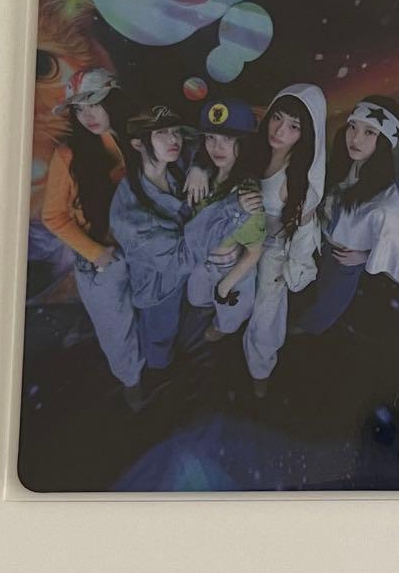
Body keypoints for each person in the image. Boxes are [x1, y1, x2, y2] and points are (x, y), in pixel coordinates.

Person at [110, 105, 243, 372]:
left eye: (175, 131)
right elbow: (181, 258)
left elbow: (200, 145)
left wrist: (198, 167)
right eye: (161, 133)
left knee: (187, 323)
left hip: (189, 278)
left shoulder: (175, 166)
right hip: (160, 290)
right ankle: (159, 372)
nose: (174, 139)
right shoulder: (130, 216)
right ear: (138, 144)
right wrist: (233, 208)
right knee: (161, 337)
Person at [41, 67, 143, 400]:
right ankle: (132, 386)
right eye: (79, 109)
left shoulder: (138, 136)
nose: (88, 116)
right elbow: (53, 216)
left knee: (148, 316)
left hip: (142, 250)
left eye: (95, 104)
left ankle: (152, 371)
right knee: (116, 330)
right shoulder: (68, 155)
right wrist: (96, 253)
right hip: (101, 260)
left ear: (113, 100)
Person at [296, 95, 399, 335]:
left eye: (369, 132)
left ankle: (305, 332)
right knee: (300, 290)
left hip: (343, 261)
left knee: (325, 304)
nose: (355, 139)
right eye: (353, 127)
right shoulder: (341, 166)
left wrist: (365, 256)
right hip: (316, 243)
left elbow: (397, 245)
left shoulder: (385, 198)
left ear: (385, 141)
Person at [238, 84, 327, 392]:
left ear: (305, 134)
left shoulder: (299, 180)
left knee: (267, 315)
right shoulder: (252, 150)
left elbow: (304, 232)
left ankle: (260, 369)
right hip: (238, 241)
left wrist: (296, 268)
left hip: (273, 251)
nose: (279, 130)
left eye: (293, 126)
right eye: (277, 118)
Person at [184, 97, 265, 342]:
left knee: (229, 316)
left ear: (243, 142)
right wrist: (198, 167)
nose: (217, 147)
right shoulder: (205, 174)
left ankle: (221, 327)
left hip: (230, 269)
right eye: (210, 137)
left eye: (227, 139)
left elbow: (254, 252)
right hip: (202, 262)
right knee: (198, 299)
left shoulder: (246, 195)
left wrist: (224, 287)